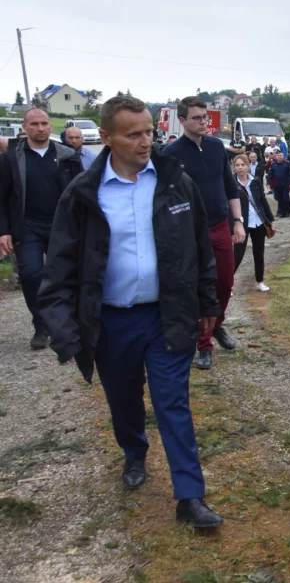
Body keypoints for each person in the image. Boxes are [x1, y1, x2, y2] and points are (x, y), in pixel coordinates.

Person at [37, 95, 223, 528]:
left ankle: (189, 496)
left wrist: (208, 304)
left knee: (173, 402)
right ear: (105, 138)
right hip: (112, 321)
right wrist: (66, 334)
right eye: (133, 134)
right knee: (123, 400)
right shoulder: (83, 194)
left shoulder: (175, 181)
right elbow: (60, 268)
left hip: (167, 315)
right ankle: (134, 451)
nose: (146, 142)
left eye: (149, 132)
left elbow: (199, 248)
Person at [163, 97, 245, 371]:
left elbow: (229, 186)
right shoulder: (171, 153)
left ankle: (217, 324)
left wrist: (237, 221)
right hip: (190, 232)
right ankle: (204, 345)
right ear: (183, 120)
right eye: (196, 117)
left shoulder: (215, 147)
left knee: (225, 281)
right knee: (199, 286)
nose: (202, 122)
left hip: (220, 224)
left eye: (205, 117)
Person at [0, 108, 83, 349]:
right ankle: (41, 324)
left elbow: (81, 192)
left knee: (66, 274)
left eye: (44, 123)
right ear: (24, 128)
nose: (40, 128)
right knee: (32, 274)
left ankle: (68, 323)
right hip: (27, 226)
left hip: (62, 224)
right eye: (34, 124)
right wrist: (4, 230)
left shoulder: (67, 155)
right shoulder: (11, 157)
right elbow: (2, 197)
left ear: (51, 127)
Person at [232, 154, 275, 292]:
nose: (240, 168)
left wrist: (269, 221)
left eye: (242, 165)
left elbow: (262, 200)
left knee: (259, 253)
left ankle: (260, 281)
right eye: (237, 165)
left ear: (248, 166)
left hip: (258, 222)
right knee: (237, 255)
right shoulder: (231, 183)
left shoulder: (256, 181)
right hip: (242, 224)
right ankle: (228, 284)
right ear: (234, 167)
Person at [269, 150, 290, 217]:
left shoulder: (287, 164)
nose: (279, 157)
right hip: (277, 185)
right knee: (279, 199)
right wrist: (268, 183)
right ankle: (281, 212)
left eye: (281, 155)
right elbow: (270, 175)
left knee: (285, 198)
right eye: (278, 156)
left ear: (283, 156)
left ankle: (287, 211)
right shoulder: (273, 165)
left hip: (285, 184)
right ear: (276, 157)